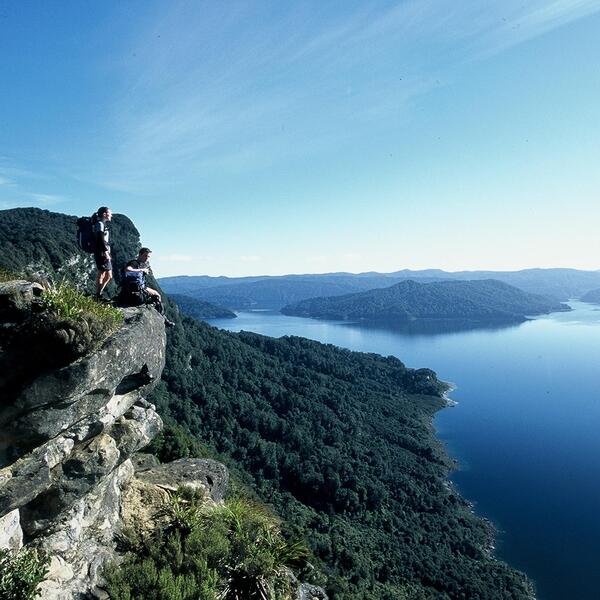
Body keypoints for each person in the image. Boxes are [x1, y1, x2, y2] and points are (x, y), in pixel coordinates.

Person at [121, 247, 175, 327]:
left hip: (132, 289)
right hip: (137, 289)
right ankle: (164, 318)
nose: (147, 258)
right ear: (139, 254)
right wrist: (142, 270)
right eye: (145, 255)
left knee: (156, 294)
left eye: (148, 256)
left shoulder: (139, 264)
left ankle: (162, 316)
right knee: (157, 296)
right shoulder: (134, 263)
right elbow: (128, 269)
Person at [93, 206, 113, 298]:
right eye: (110, 213)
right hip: (101, 252)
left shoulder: (103, 224)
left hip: (104, 251)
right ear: (104, 214)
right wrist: (105, 252)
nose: (111, 215)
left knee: (108, 275)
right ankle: (98, 295)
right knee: (102, 273)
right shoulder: (100, 224)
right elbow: (100, 239)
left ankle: (98, 294)